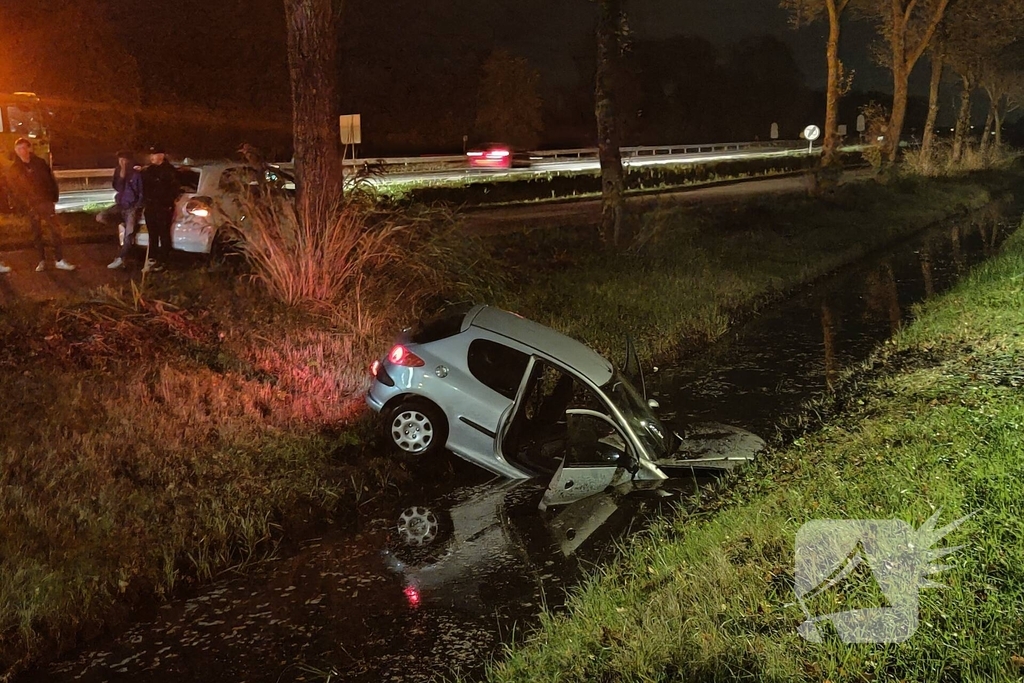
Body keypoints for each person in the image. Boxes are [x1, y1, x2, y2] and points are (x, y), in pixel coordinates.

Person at [5, 137, 75, 272]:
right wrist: (23, 205)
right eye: (19, 149)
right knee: (37, 234)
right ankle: (41, 260)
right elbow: (14, 190)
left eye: (24, 148)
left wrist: (53, 197)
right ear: (16, 150)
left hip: (45, 202)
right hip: (30, 205)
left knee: (55, 231)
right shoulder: (15, 169)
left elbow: (50, 180)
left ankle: (59, 259)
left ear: (29, 148)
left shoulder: (40, 163)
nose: (22, 151)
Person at [97, 150, 144, 269]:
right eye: (120, 160)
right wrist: (122, 175)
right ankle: (122, 222)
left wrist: (137, 206)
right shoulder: (118, 171)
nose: (122, 162)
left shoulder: (137, 173)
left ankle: (121, 258)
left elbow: (141, 192)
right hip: (121, 204)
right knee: (101, 217)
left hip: (131, 207)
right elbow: (117, 187)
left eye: (124, 159)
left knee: (129, 234)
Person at [140, 145, 180, 272]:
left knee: (163, 234)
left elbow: (175, 189)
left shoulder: (169, 171)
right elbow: (144, 187)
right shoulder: (148, 171)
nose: (152, 157)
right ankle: (152, 258)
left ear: (162, 155)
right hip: (150, 206)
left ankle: (164, 261)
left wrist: (167, 203)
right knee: (152, 234)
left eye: (155, 154)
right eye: (151, 155)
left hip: (163, 207)